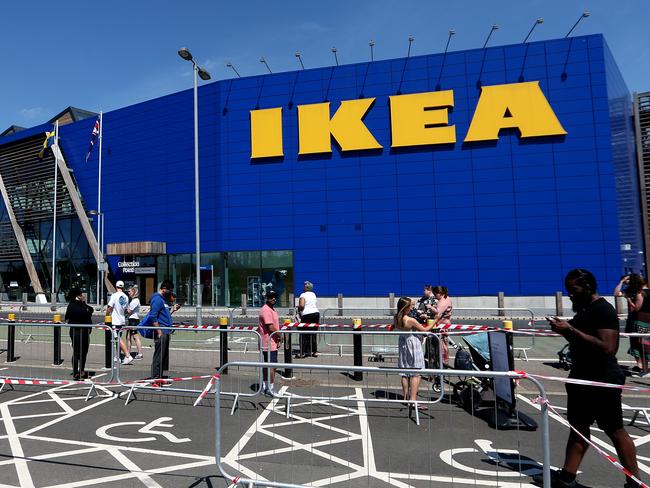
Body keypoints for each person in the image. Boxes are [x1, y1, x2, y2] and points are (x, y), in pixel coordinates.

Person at [535, 269, 641, 488]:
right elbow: (580, 338)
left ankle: (635, 482)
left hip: (601, 380)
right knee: (578, 428)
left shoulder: (603, 310)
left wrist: (571, 330)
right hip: (582, 378)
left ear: (588, 287)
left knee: (614, 429)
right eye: (568, 291)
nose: (570, 295)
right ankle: (567, 478)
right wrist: (563, 329)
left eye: (574, 290)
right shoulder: (586, 309)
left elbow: (608, 347)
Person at [394, 296, 435, 411]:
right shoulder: (410, 320)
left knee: (404, 372)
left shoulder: (396, 317)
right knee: (417, 372)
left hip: (403, 342)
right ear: (405, 307)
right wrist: (435, 320)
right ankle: (413, 400)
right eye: (411, 306)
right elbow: (425, 330)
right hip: (413, 343)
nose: (412, 308)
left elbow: (395, 326)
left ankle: (406, 398)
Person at [614, 274, 650, 375]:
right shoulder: (633, 290)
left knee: (641, 344)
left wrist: (628, 299)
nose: (627, 283)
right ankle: (641, 366)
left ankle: (644, 368)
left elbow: (636, 308)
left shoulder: (640, 293)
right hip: (638, 320)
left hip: (640, 320)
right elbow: (617, 293)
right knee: (641, 343)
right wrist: (621, 282)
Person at [147, 280, 179, 387]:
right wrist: (159, 331)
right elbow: (153, 316)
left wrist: (173, 310)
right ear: (164, 289)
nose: (170, 293)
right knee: (159, 356)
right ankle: (155, 380)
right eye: (170, 291)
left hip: (166, 330)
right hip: (161, 331)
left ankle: (160, 377)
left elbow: (164, 315)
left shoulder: (163, 300)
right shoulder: (157, 299)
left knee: (163, 356)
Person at [65, 288, 93, 380]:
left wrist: (85, 306)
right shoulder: (72, 305)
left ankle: (82, 370)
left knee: (84, 352)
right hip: (76, 331)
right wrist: (86, 310)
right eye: (81, 295)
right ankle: (76, 372)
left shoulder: (82, 305)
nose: (83, 296)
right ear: (77, 296)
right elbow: (83, 313)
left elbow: (90, 309)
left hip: (84, 331)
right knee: (77, 352)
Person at [259, 289, 281, 396]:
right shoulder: (266, 310)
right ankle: (270, 388)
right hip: (268, 342)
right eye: (271, 296)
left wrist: (277, 339)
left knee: (268, 365)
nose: (273, 298)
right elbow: (271, 327)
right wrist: (281, 336)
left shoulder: (271, 309)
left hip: (271, 341)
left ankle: (265, 386)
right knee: (272, 366)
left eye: (275, 296)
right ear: (266, 297)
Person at [106, 280, 134, 365]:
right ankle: (117, 356)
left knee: (117, 338)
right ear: (123, 287)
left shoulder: (114, 296)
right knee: (119, 338)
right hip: (122, 320)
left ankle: (127, 355)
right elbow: (126, 309)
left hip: (115, 320)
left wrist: (107, 315)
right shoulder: (125, 297)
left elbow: (110, 307)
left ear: (116, 286)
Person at [297, 281, 320, 358]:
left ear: (306, 287)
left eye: (304, 286)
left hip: (307, 315)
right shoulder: (313, 294)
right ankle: (314, 351)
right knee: (313, 333)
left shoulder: (303, 295)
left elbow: (302, 305)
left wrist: (298, 308)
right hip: (316, 314)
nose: (303, 287)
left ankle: (303, 352)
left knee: (304, 333)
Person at [431, 285, 453, 365]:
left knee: (441, 343)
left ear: (440, 293)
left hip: (442, 325)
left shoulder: (443, 301)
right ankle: (443, 360)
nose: (434, 296)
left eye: (435, 294)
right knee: (443, 342)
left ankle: (443, 361)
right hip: (445, 323)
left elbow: (438, 313)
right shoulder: (447, 298)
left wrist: (430, 307)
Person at [125, 286, 144, 360]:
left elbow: (129, 311)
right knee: (128, 337)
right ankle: (128, 353)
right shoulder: (133, 300)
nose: (128, 293)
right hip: (131, 320)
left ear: (134, 292)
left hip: (133, 320)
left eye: (129, 291)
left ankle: (140, 353)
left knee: (135, 337)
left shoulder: (135, 301)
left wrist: (124, 308)